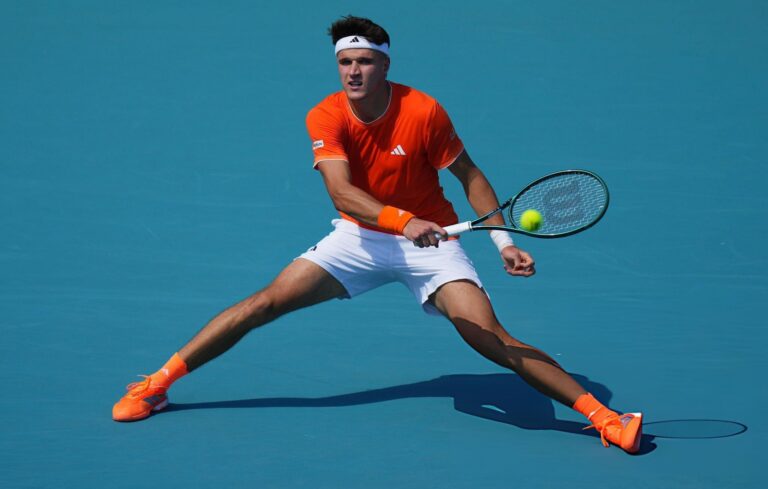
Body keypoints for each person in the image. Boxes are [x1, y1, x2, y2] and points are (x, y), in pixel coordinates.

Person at [112, 15, 643, 454]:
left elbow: (471, 177)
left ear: (385, 64)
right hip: (361, 239)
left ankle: (606, 419)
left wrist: (504, 242)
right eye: (345, 62)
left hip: (435, 246)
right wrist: (403, 222)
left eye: (364, 61)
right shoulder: (326, 115)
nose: (353, 71)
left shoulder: (424, 111)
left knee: (489, 337)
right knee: (264, 303)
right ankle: (156, 385)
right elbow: (342, 194)